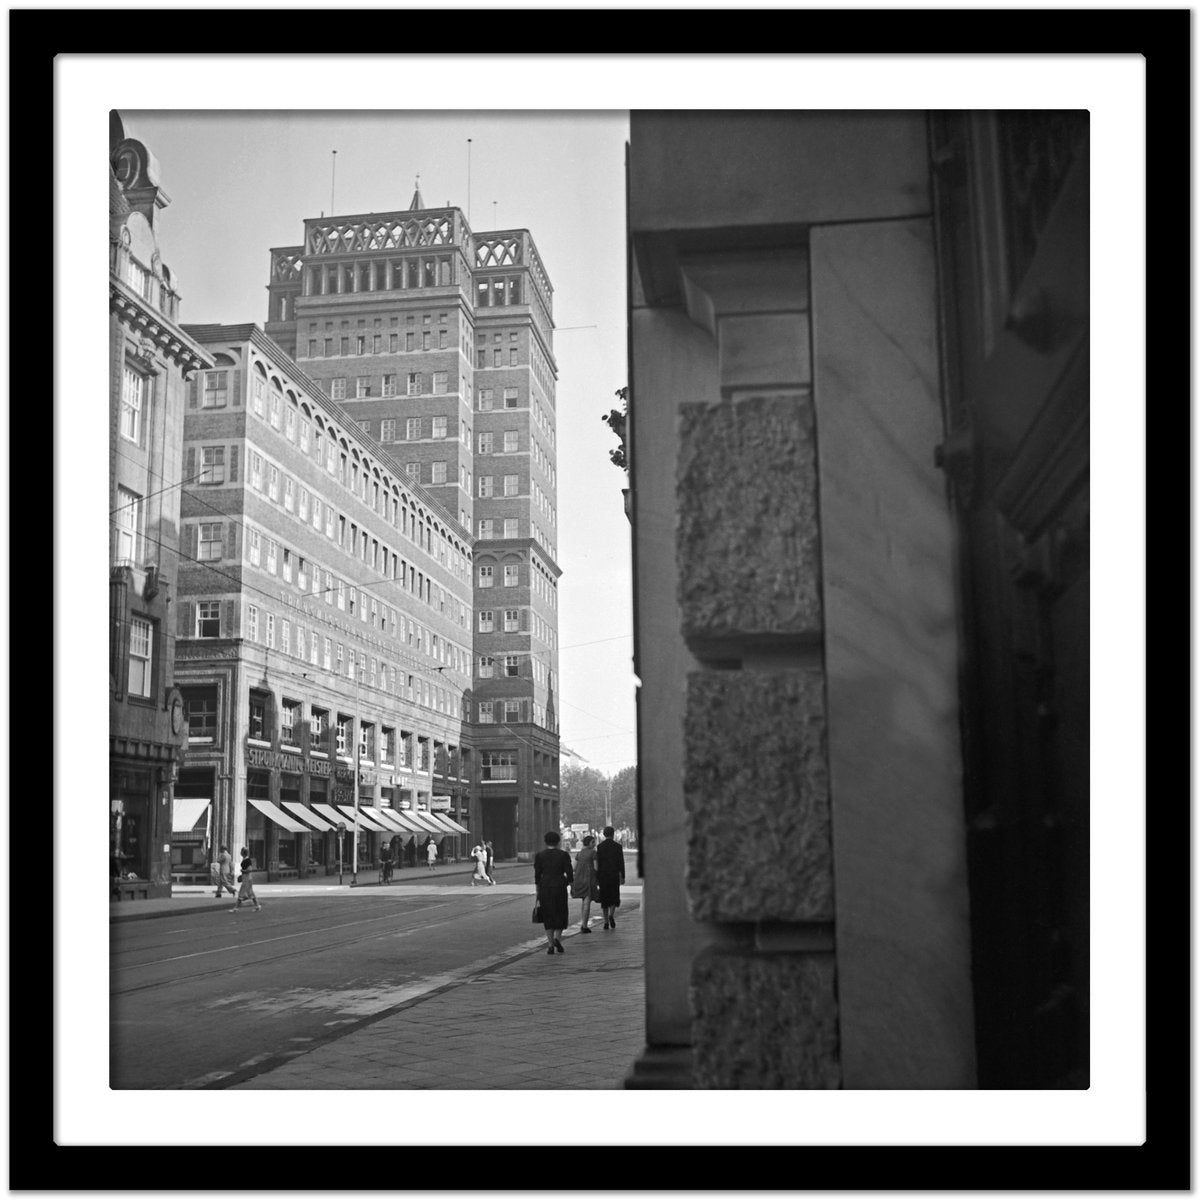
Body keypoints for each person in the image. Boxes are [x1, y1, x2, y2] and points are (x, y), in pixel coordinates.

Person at [533, 830, 573, 955]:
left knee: (548, 915)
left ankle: (550, 944)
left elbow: (537, 874)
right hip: (559, 886)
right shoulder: (563, 855)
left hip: (545, 887)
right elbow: (570, 873)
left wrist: (538, 889)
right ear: (558, 841)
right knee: (561, 912)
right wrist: (568, 883)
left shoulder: (540, 855)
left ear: (546, 842)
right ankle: (557, 938)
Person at [595, 825, 625, 930]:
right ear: (613, 834)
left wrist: (597, 878)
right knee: (614, 896)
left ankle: (606, 921)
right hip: (614, 875)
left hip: (603, 876)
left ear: (604, 834)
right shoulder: (618, 846)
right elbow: (621, 862)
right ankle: (611, 915)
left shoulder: (600, 847)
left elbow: (598, 863)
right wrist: (623, 876)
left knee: (604, 899)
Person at [571, 835, 599, 931]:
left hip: (579, 879)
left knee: (584, 902)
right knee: (587, 902)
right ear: (590, 843)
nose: (594, 844)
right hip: (589, 880)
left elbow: (573, 868)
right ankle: (584, 925)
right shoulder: (593, 853)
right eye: (593, 842)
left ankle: (583, 923)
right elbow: (596, 868)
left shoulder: (579, 853)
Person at [232, 847, 262, 912]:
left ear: (243, 852)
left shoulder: (247, 860)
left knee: (241, 893)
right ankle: (257, 906)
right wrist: (242, 874)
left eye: (241, 851)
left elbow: (250, 869)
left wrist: (243, 871)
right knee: (251, 893)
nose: (240, 852)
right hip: (246, 878)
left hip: (247, 879)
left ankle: (235, 908)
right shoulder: (245, 859)